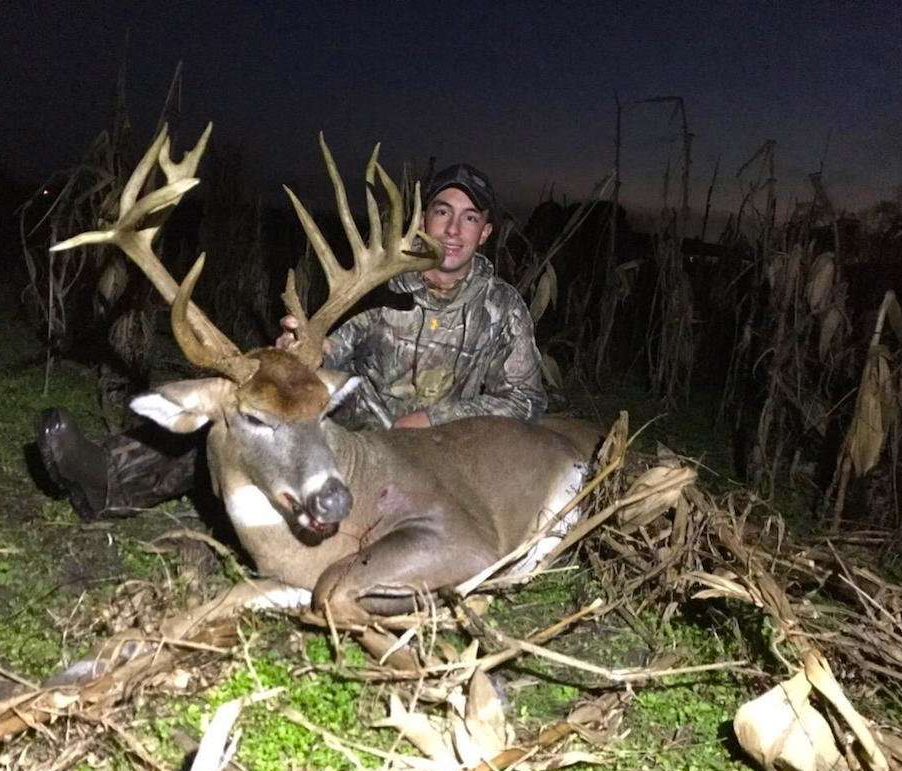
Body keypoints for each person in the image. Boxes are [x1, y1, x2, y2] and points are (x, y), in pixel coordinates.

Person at [37, 163, 547, 521]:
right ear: (423, 220)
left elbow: (526, 400)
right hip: (363, 426)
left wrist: (432, 419)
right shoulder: (378, 291)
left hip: (443, 454)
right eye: (442, 212)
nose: (453, 229)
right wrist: (299, 354)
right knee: (247, 407)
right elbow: (329, 357)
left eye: (470, 218)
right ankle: (108, 474)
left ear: (485, 234)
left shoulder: (503, 309)